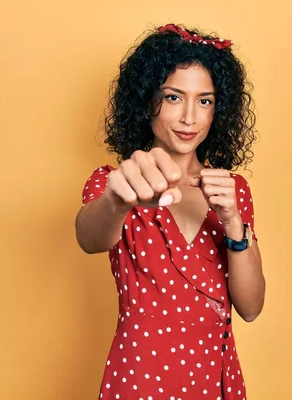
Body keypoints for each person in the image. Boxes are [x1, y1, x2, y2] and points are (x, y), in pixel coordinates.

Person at [75, 23, 265, 400]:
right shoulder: (116, 181)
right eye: (174, 97)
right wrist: (117, 201)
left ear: (219, 110)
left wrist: (232, 223)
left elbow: (251, 307)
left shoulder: (233, 190)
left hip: (216, 375)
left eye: (205, 100)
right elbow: (89, 238)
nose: (190, 118)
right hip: (143, 375)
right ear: (147, 100)